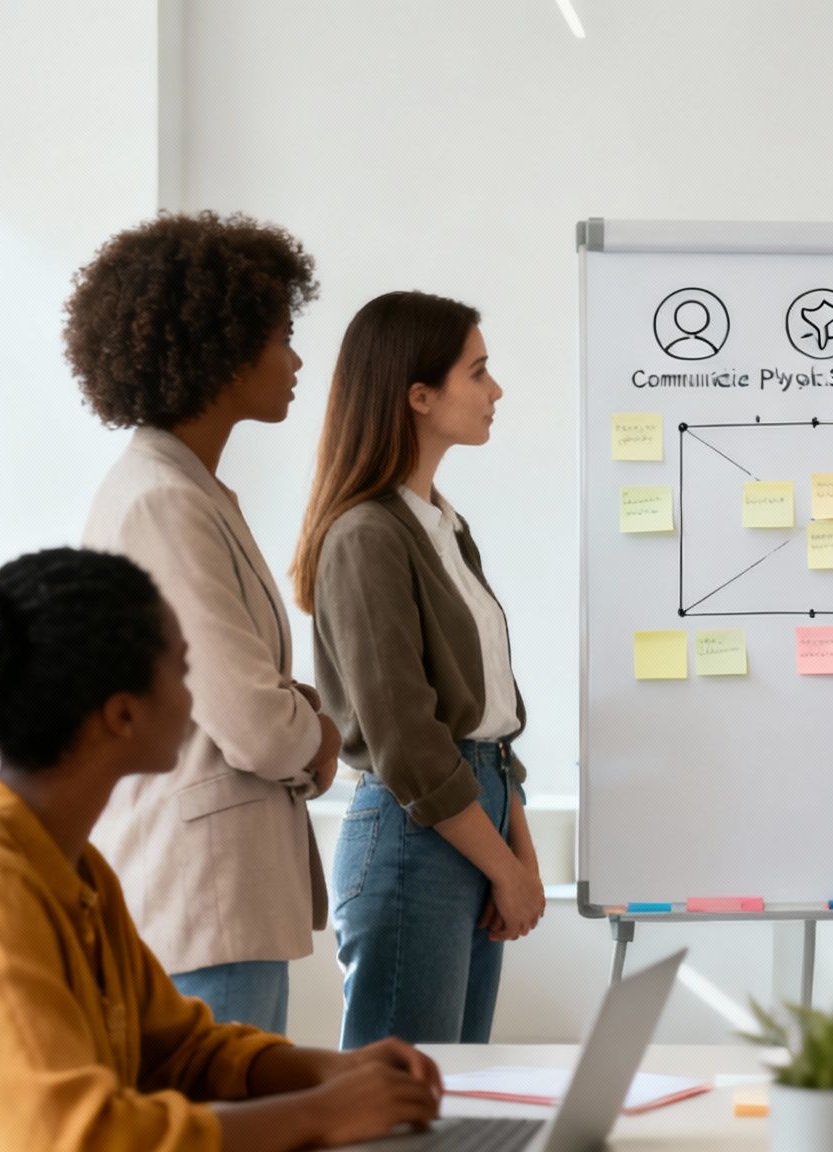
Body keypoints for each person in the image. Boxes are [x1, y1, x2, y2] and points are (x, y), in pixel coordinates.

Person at [0, 549, 445, 1151]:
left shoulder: (70, 866)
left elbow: (180, 1051)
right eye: (180, 667)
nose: (191, 692)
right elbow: (77, 1140)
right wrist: (321, 1114)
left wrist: (332, 1073)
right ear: (122, 715)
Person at [71, 211, 340, 1031]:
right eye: (281, 337)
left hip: (217, 901)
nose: (295, 360)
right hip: (200, 906)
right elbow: (254, 722)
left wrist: (283, 702)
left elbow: (232, 685)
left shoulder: (183, 488)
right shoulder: (164, 501)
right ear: (218, 346)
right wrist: (320, 735)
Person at [290, 291, 545, 1048]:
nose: (495, 390)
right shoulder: (366, 534)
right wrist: (503, 864)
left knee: (454, 1100)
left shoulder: (444, 526)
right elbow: (407, 736)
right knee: (403, 1108)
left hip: (474, 814)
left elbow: (491, 721)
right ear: (420, 395)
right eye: (479, 372)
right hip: (415, 836)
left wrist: (518, 854)